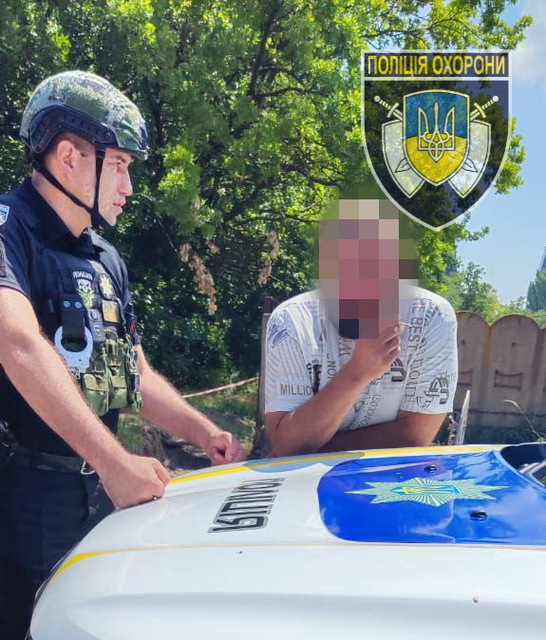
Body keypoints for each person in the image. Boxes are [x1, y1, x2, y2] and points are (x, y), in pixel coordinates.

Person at [0, 70, 247, 639]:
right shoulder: (8, 230)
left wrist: (204, 432)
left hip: (97, 494)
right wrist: (115, 463)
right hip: (20, 495)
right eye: (119, 164)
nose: (128, 186)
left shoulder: (106, 258)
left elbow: (133, 369)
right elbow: (17, 343)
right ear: (69, 157)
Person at [264, 195, 458, 457]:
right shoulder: (291, 321)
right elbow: (285, 444)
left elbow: (414, 436)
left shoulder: (431, 317)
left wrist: (307, 443)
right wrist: (357, 373)